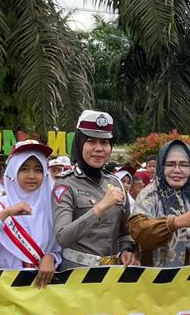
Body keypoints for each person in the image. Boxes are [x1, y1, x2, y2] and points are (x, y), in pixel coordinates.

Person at [0, 140, 61, 287]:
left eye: (38, 170)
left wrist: (52, 256)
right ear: (13, 172)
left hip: (43, 289)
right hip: (5, 289)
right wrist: (5, 214)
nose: (32, 176)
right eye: (24, 169)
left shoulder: (52, 206)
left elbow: (59, 246)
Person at [54, 111, 138, 269]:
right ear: (79, 144)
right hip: (76, 275)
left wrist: (127, 249)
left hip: (111, 276)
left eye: (104, 143)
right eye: (91, 142)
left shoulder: (116, 183)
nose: (99, 149)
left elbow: (125, 232)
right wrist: (100, 207)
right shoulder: (65, 184)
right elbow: (62, 237)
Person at [128, 140, 190, 266]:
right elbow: (139, 232)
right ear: (161, 167)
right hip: (158, 279)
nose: (177, 170)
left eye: (184, 165)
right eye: (170, 164)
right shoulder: (150, 195)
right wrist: (174, 223)